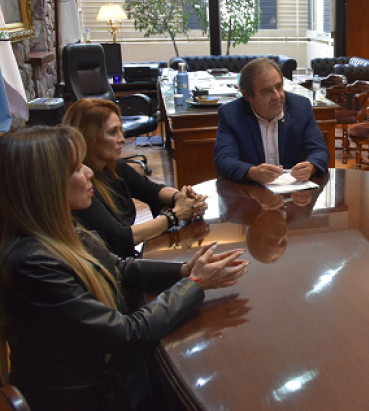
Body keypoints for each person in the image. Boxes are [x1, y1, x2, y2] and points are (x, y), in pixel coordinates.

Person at [0, 126, 249, 411]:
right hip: (94, 397)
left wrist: (183, 271)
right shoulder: (32, 263)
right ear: (43, 184)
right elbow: (127, 334)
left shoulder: (60, 228)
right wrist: (194, 284)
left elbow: (119, 267)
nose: (89, 172)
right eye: (75, 168)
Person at [63, 99, 207, 258]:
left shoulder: (113, 166)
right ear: (88, 138)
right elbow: (119, 236)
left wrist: (179, 197)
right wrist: (175, 216)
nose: (122, 139)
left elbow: (151, 190)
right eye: (112, 132)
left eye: (120, 130)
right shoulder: (81, 187)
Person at [214, 58, 329, 184]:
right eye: (267, 91)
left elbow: (319, 151)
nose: (277, 96)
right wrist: (252, 172)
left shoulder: (300, 107)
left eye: (279, 87)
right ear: (249, 96)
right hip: (251, 192)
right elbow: (223, 160)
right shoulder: (231, 114)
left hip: (294, 191)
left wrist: (311, 166)